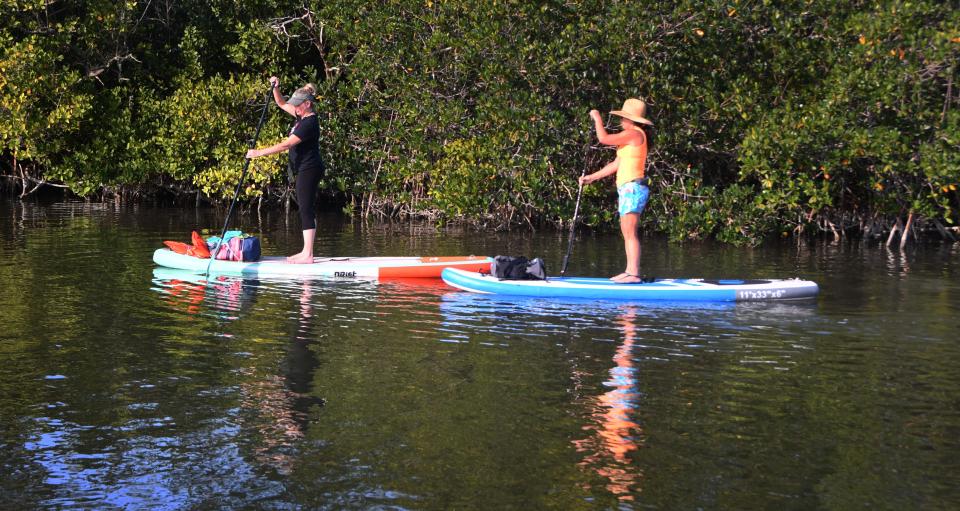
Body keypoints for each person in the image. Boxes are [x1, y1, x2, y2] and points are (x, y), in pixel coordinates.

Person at [246, 76, 324, 263]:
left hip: (310, 168)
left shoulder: (309, 123)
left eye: (297, 105)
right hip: (304, 169)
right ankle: (306, 252)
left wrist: (258, 153)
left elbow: (286, 145)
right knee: (305, 208)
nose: (294, 108)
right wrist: (275, 87)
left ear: (307, 104)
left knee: (306, 208)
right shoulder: (300, 115)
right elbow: (280, 103)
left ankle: (308, 254)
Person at [579, 98, 654, 283]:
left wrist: (597, 118)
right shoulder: (628, 138)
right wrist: (591, 177)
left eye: (623, 118)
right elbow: (615, 164)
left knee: (629, 232)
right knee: (626, 231)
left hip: (633, 187)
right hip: (628, 188)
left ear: (631, 120)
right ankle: (630, 271)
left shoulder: (635, 134)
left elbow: (603, 138)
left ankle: (634, 274)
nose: (621, 122)